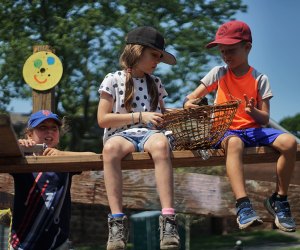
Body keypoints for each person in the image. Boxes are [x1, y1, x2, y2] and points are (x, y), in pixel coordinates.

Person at [183, 20, 297, 232]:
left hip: (254, 130)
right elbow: (190, 99)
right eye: (222, 51)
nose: (226, 56)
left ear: (247, 48)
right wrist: (192, 104)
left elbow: (264, 118)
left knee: (290, 142)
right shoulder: (218, 73)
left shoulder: (259, 78)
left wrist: (253, 112)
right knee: (234, 143)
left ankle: (279, 200)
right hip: (224, 131)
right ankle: (243, 205)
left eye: (231, 50)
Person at [97, 26, 180, 250]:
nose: (158, 61)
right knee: (110, 150)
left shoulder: (156, 83)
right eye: (154, 55)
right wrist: (140, 115)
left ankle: (169, 220)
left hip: (150, 134)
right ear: (137, 51)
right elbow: (103, 119)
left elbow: (163, 114)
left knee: (162, 144)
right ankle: (116, 223)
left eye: (160, 57)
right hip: (120, 134)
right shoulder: (112, 80)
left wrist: (185, 111)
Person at [10, 110, 96, 250]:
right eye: (42, 127)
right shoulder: (21, 161)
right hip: (23, 244)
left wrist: (61, 154)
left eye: (54, 128)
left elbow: (92, 157)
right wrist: (17, 147)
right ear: (29, 134)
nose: (49, 132)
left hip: (58, 245)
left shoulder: (65, 161)